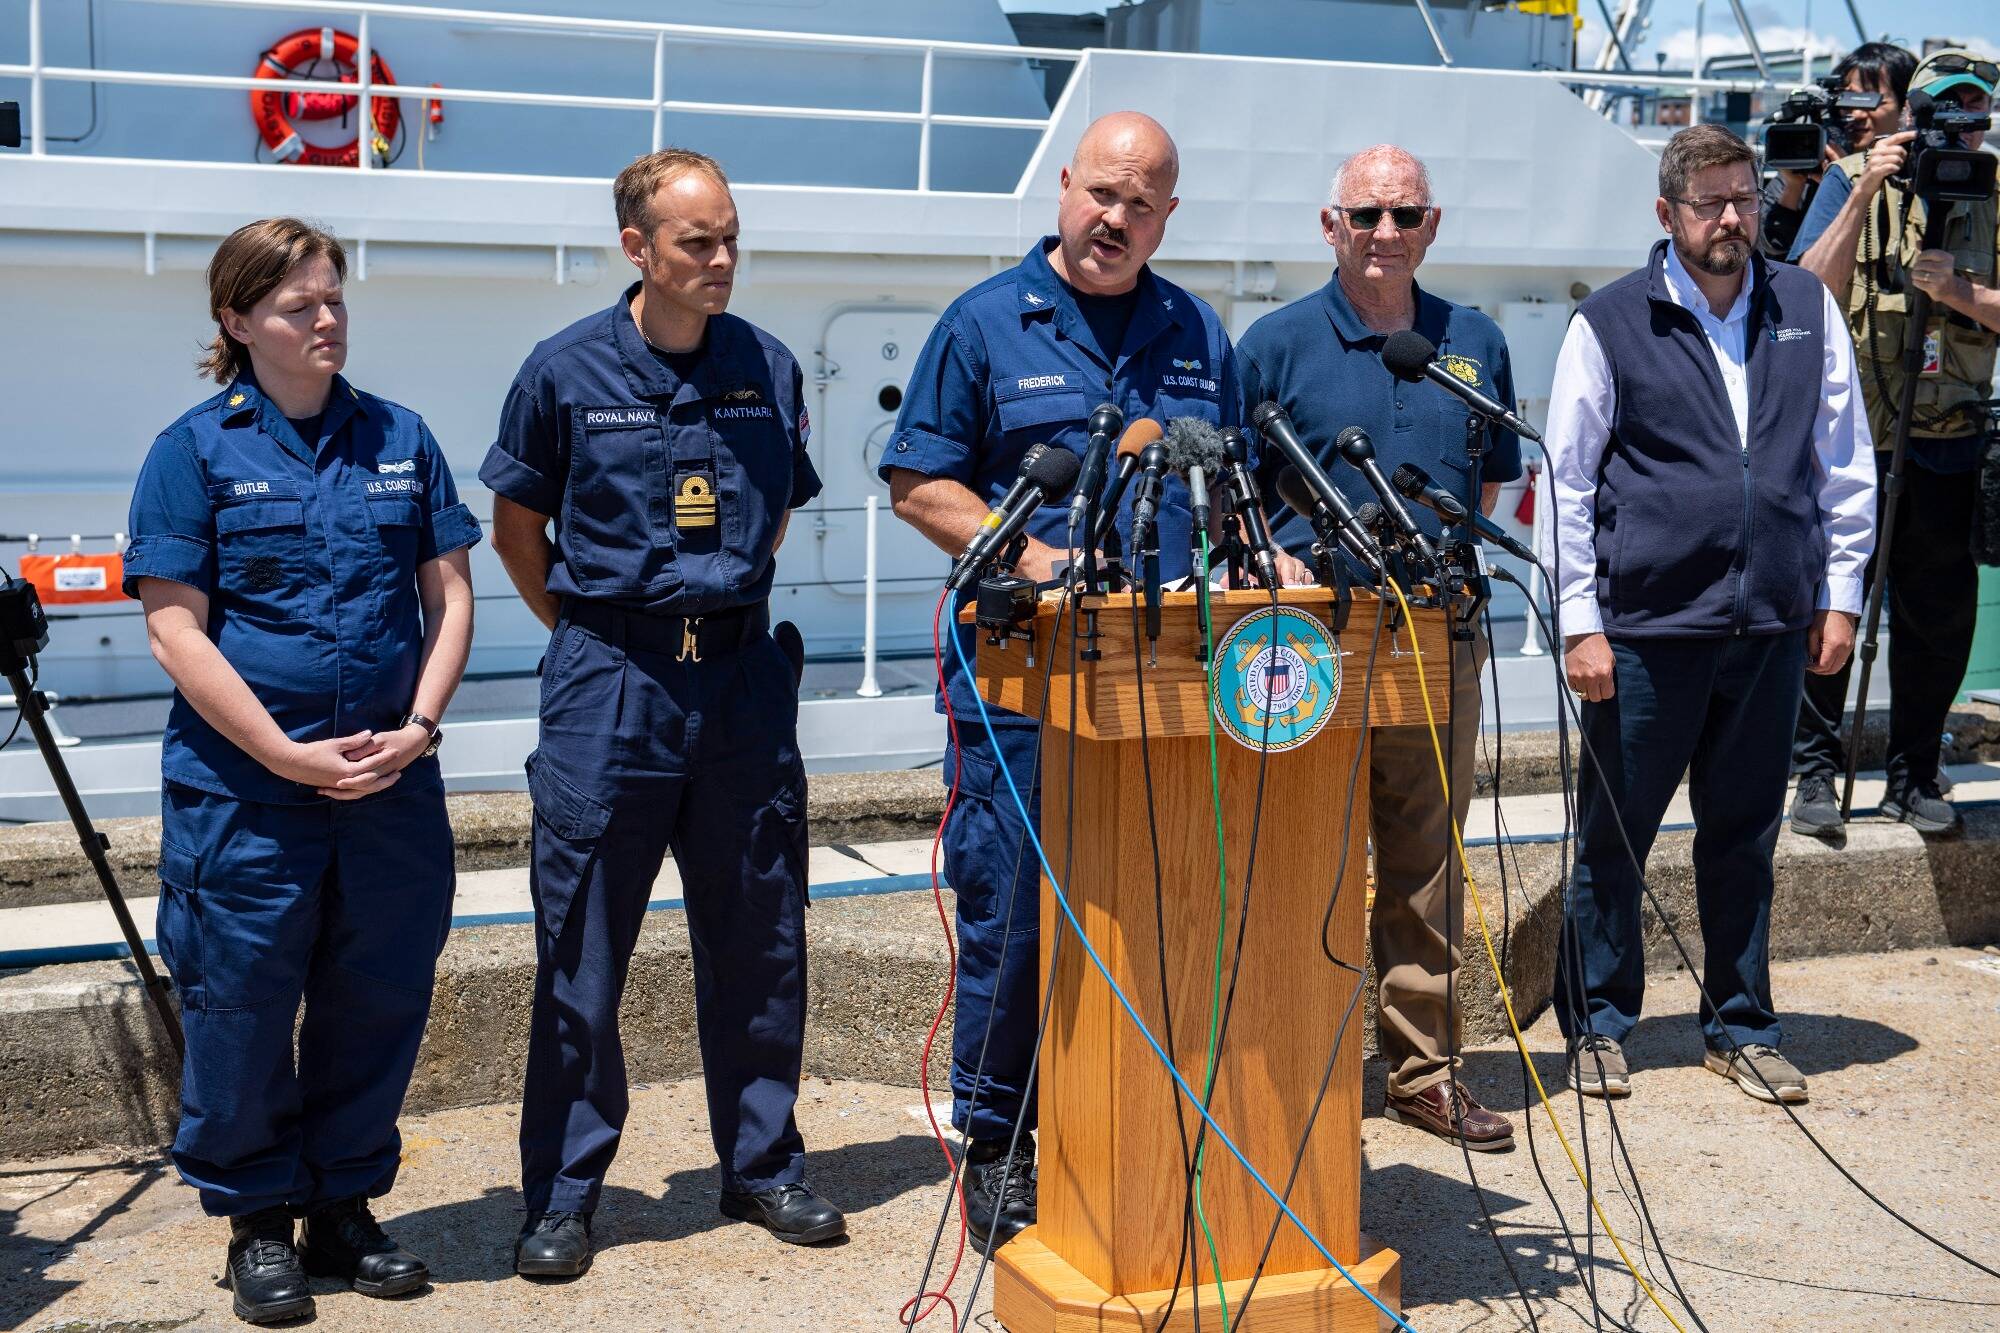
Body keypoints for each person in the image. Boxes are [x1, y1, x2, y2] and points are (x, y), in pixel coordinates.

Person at [882, 112, 1253, 1250]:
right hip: (1020, 685)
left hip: (1165, 683)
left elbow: (1230, 490)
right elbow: (916, 482)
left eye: (1140, 203)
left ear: (1167, 216)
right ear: (1064, 189)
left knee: (1162, 895)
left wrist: (1256, 558)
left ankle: (1133, 1116)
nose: (1115, 217)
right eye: (1101, 193)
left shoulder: (1194, 331)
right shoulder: (985, 323)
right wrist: (1031, 555)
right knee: (1018, 909)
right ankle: (997, 1141)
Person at [482, 147, 841, 1279]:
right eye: (698, 241)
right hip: (612, 685)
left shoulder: (769, 366)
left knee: (759, 937)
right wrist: (605, 642)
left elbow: (775, 510)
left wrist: (704, 619)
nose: (722, 258)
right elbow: (517, 531)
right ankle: (567, 1191)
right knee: (580, 947)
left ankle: (761, 1163)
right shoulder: (562, 370)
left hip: (737, 683)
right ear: (636, 247)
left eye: (731, 235)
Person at [125, 218, 479, 1324]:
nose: (324, 320)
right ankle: (255, 1222)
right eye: (296, 306)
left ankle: (343, 1207)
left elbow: (451, 595)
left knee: (376, 1000)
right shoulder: (193, 452)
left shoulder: (400, 437)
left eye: (332, 298)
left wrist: (419, 728)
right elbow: (175, 632)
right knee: (240, 1008)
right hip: (248, 798)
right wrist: (280, 751)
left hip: (388, 788)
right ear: (236, 322)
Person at [1543, 125, 1875, 1105]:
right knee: (1613, 835)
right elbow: (1561, 481)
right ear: (1666, 214)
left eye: (1741, 197)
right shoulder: (1607, 322)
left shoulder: (1805, 309)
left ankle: (1740, 1026)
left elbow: (1843, 463)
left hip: (1769, 626)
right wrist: (1577, 622)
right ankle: (1597, 1025)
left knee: (1744, 836)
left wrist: (1838, 595)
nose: (1730, 218)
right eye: (1707, 203)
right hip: (1644, 630)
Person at [1237, 144, 1522, 1152]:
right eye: (1364, 215)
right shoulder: (1270, 346)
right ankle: (1292, 1067)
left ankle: (1419, 1074)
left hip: (1437, 633)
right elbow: (1239, 503)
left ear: (1431, 227)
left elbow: (1486, 483)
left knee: (1422, 861)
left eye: (1404, 215)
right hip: (1312, 641)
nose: (1384, 233)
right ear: (1329, 226)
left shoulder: (1472, 339)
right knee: (1301, 856)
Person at [1787, 47, 1997, 838]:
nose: (1960, 129)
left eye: (1975, 113)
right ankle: (1814, 770)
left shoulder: (1996, 190)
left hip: (1949, 440)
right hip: (1851, 440)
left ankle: (1913, 773)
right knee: (1829, 603)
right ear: (1911, 111)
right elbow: (1807, 288)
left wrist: (1959, 293)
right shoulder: (1853, 179)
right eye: (1944, 110)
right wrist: (1867, 184)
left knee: (1936, 618)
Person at [1758, 42, 1915, 260]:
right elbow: (1767, 254)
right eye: (1847, 100)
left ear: (1906, 109)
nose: (1857, 113)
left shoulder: (1913, 175)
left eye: (1870, 100)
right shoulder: (1809, 164)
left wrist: (1848, 182)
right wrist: (1794, 188)